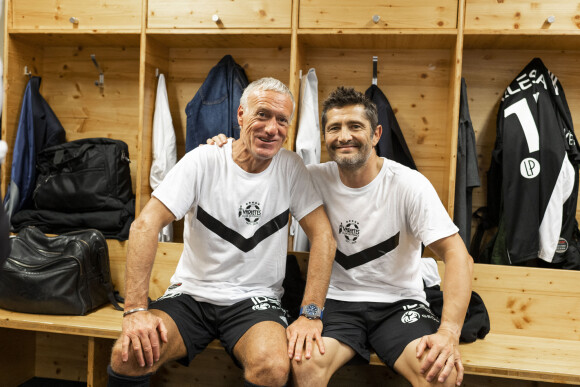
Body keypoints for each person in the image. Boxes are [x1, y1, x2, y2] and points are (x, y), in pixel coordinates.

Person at [210, 86, 474, 386]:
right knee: (303, 364)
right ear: (325, 137)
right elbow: (251, 175)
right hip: (336, 303)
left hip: (398, 304)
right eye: (334, 128)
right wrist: (227, 148)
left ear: (376, 134)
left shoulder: (409, 185)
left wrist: (449, 333)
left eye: (355, 126)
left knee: (441, 374)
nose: (344, 135)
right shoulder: (310, 177)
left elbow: (458, 256)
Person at [107, 77, 336, 387]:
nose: (272, 128)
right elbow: (145, 225)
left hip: (255, 300)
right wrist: (135, 309)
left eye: (282, 120)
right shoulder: (203, 160)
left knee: (272, 367)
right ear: (241, 115)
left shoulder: (291, 167)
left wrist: (310, 314)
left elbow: (324, 236)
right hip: (191, 296)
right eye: (263, 114)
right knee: (128, 353)